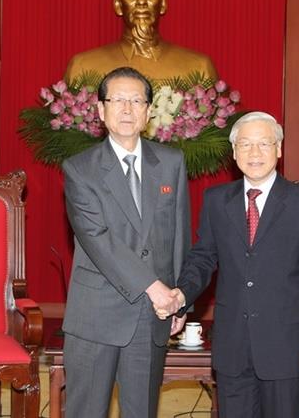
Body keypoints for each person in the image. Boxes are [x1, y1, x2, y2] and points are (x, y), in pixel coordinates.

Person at [165, 112, 299, 417]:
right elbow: (203, 257)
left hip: (286, 344)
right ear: (234, 152)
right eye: (245, 144)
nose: (254, 152)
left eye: (263, 144)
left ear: (279, 149)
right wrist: (181, 295)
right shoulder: (217, 200)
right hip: (232, 343)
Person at [61, 66, 188, 418]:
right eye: (118, 100)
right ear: (101, 110)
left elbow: (178, 233)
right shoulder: (79, 168)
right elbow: (97, 239)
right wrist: (156, 288)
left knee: (142, 411)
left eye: (136, 101)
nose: (128, 109)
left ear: (149, 112)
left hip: (152, 315)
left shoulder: (171, 162)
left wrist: (179, 300)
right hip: (96, 313)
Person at [65, 0, 218, 82]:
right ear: (118, 5)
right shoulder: (82, 67)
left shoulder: (199, 68)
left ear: (163, 3)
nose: (141, 1)